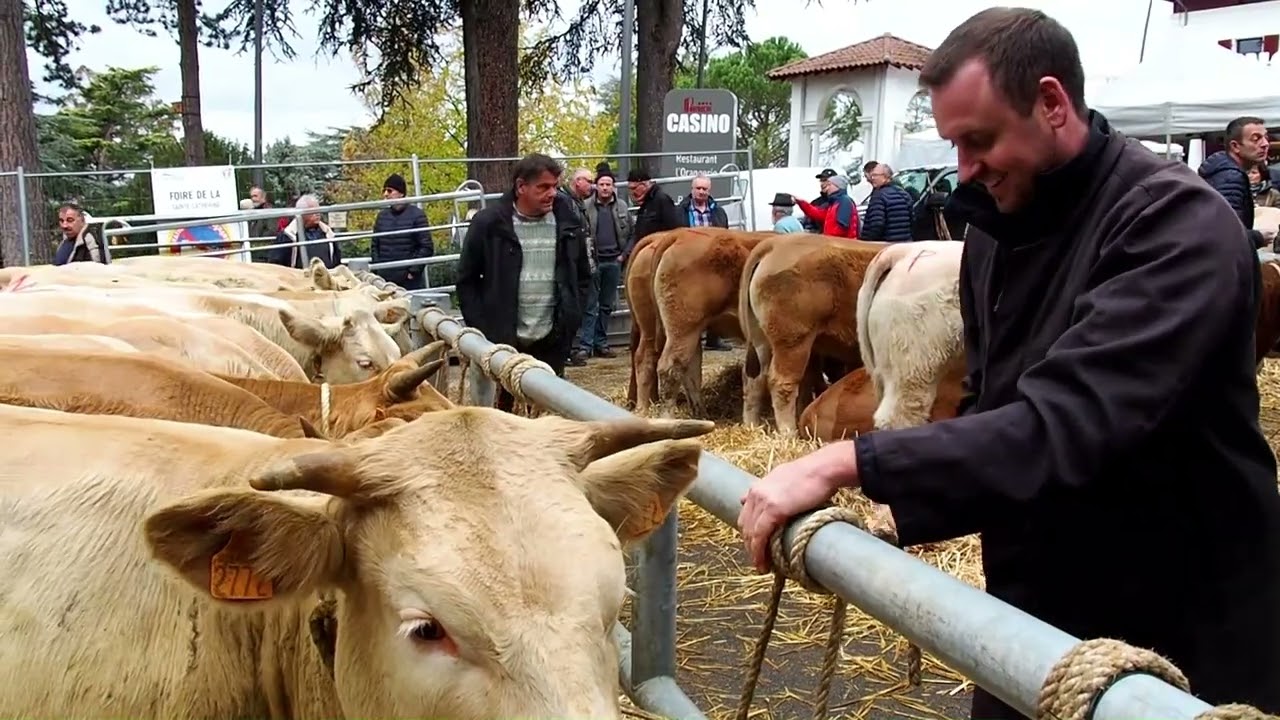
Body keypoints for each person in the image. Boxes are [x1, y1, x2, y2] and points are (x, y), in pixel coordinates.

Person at [738, 7, 1280, 718]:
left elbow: (1067, 423)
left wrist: (846, 464)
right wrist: (899, 513)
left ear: (1053, 103)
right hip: (1036, 612)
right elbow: (992, 412)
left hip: (1181, 624)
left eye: (979, 140)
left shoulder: (1176, 226)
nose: (963, 168)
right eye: (954, 144)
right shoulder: (996, 231)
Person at [456, 153, 591, 413]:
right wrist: (484, 330)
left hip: (552, 340)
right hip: (503, 341)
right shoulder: (489, 224)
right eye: (543, 187)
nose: (552, 193)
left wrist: (572, 316)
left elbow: (583, 276)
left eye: (554, 186)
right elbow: (466, 280)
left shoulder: (569, 224)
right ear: (521, 187)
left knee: (547, 414)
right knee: (502, 415)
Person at [581, 162, 633, 360]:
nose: (605, 188)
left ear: (613, 187)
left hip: (613, 261)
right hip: (593, 262)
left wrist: (623, 255)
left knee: (606, 305)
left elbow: (631, 233)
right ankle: (586, 345)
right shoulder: (586, 207)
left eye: (608, 184)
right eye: (601, 184)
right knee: (590, 305)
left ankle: (601, 343)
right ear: (596, 186)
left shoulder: (622, 206)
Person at [1199, 116, 1270, 248]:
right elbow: (1226, 232)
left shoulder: (1224, 172)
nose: (1265, 144)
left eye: (1266, 137)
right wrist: (1259, 237)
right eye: (1256, 139)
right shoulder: (1230, 177)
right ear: (1235, 146)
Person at [678, 174, 732, 351]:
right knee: (689, 300)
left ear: (709, 191)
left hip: (714, 262)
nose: (701, 192)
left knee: (715, 300)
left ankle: (713, 338)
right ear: (692, 189)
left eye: (705, 189)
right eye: (698, 188)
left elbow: (726, 234)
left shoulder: (718, 212)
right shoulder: (680, 211)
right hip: (689, 261)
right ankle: (691, 339)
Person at [370, 173, 434, 290]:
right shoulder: (382, 216)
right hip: (385, 280)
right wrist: (378, 270)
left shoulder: (417, 215)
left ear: (401, 193)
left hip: (408, 281)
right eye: (384, 191)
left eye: (389, 191)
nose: (385, 195)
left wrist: (412, 272)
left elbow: (426, 247)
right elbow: (375, 245)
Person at [267, 194, 342, 269]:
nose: (317, 214)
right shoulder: (288, 236)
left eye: (318, 210)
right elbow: (276, 264)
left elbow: (336, 261)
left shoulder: (328, 233)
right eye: (312, 211)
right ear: (301, 214)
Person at [860, 162, 914, 242]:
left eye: (875, 175)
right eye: (872, 175)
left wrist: (865, 242)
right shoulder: (904, 194)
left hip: (885, 246)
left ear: (885, 176)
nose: (872, 178)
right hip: (905, 244)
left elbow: (876, 225)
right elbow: (912, 219)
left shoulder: (879, 196)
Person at [628, 167, 682, 243]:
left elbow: (675, 230)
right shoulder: (646, 202)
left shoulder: (662, 200)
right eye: (630, 189)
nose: (632, 192)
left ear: (644, 184)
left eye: (634, 188)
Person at [793, 174, 859, 238]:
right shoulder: (834, 203)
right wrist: (801, 202)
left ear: (837, 186)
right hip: (834, 243)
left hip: (842, 245)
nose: (827, 188)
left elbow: (842, 227)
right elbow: (818, 213)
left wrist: (827, 239)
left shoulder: (844, 201)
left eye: (829, 185)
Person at [801, 168, 836, 233]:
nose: (822, 184)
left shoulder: (842, 202)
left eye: (826, 180)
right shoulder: (815, 203)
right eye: (821, 180)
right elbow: (807, 224)